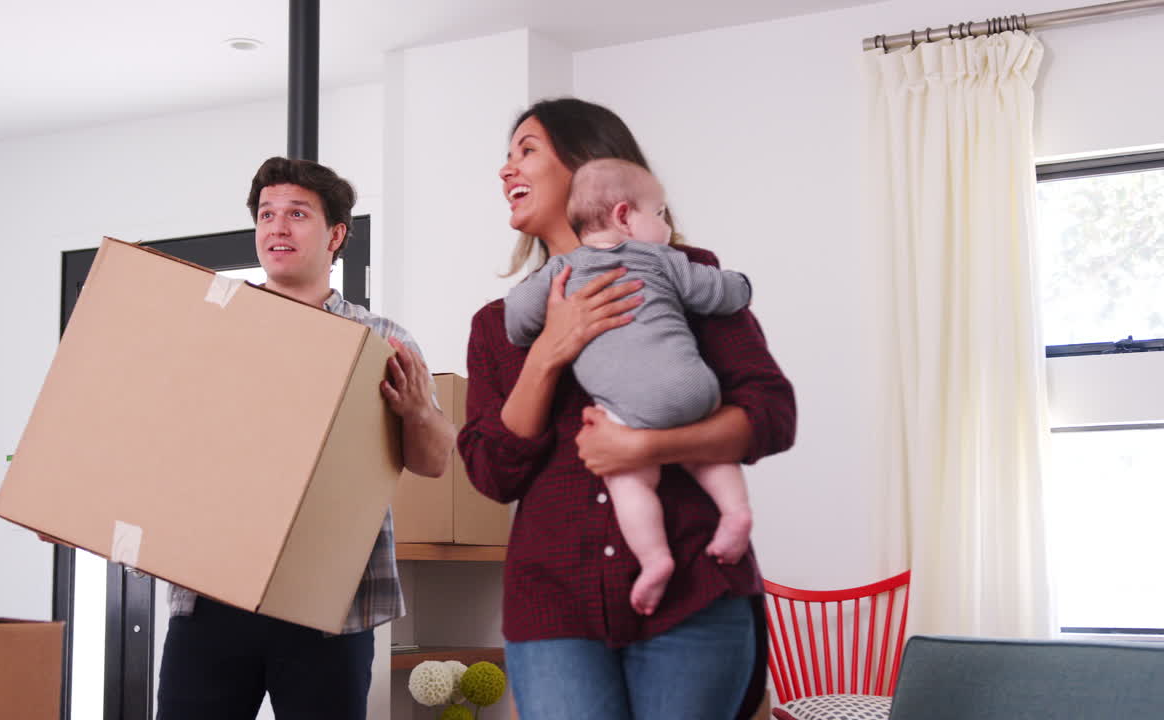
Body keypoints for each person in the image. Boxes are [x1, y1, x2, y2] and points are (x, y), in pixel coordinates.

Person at [41, 157, 457, 720]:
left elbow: (433, 463)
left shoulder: (380, 341)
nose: (277, 228)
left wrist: (414, 412)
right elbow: (147, 438)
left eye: (297, 214)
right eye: (266, 215)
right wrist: (75, 501)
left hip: (329, 605)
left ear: (336, 235)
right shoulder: (208, 329)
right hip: (210, 596)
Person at [458, 98, 796, 720]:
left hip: (694, 592)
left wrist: (650, 449)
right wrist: (548, 353)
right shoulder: (500, 326)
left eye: (527, 151)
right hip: (552, 608)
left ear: (590, 166)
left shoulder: (684, 275)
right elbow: (492, 474)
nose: (506, 170)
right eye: (506, 157)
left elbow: (772, 412)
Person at [503, 158, 755, 617]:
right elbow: (717, 292)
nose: (665, 224)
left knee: (627, 479)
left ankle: (655, 559)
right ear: (624, 216)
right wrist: (742, 284)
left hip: (629, 409)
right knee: (710, 452)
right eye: (658, 214)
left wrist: (546, 312)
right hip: (693, 387)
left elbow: (516, 322)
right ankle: (735, 513)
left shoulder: (562, 270)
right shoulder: (662, 258)